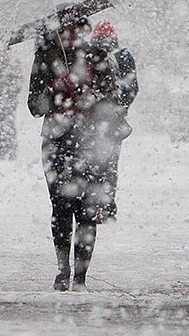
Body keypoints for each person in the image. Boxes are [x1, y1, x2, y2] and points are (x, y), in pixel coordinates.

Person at [27, 17, 138, 292]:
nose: (72, 33)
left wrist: (88, 93)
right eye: (66, 28)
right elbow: (34, 106)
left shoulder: (96, 56)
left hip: (90, 142)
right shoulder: (45, 56)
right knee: (61, 209)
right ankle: (63, 271)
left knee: (87, 210)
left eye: (77, 28)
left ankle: (81, 277)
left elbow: (115, 99)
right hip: (56, 142)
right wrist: (56, 89)